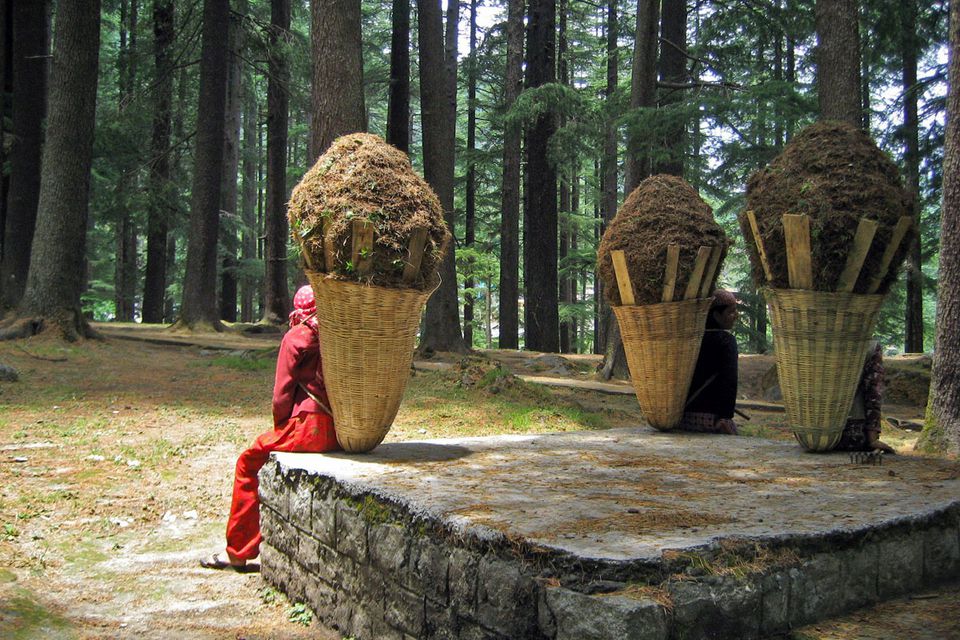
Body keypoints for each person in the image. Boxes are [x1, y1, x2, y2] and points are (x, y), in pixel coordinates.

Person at [200, 285, 339, 570]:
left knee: (247, 463)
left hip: (306, 428)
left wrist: (280, 427)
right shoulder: (338, 334)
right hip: (341, 431)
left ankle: (238, 551)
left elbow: (281, 396)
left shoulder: (297, 336)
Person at [677, 289, 740, 435]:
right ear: (716, 315)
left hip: (682, 417)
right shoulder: (726, 341)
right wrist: (725, 416)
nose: (735, 316)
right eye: (731, 312)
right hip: (712, 419)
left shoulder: (688, 339)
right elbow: (729, 380)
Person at [835, 340, 895, 454]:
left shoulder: (803, 340)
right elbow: (873, 392)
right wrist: (873, 438)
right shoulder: (869, 346)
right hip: (851, 435)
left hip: (809, 437)